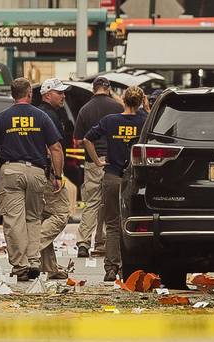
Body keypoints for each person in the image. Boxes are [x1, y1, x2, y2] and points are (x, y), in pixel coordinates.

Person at [0, 77, 64, 281]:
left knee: (13, 220)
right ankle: (34, 260)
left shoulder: (2, 117)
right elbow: (56, 148)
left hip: (11, 171)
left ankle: (20, 265)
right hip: (36, 172)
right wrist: (58, 176)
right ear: (29, 94)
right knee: (34, 218)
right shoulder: (41, 116)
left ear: (12, 95)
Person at [83, 86, 147, 281]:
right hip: (135, 179)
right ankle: (129, 267)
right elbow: (158, 133)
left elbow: (87, 139)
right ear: (139, 102)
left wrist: (96, 161)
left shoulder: (110, 121)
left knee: (112, 224)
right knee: (135, 224)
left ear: (124, 101)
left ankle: (111, 268)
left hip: (112, 176)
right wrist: (148, 108)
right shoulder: (144, 121)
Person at [73, 76, 124, 258]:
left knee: (92, 203)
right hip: (113, 161)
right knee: (112, 203)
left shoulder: (85, 110)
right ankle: (105, 242)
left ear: (93, 89)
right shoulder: (117, 107)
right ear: (108, 88)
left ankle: (83, 243)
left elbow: (79, 140)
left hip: (93, 161)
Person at [36, 78, 72, 280]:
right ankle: (31, 251)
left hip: (37, 171)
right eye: (60, 92)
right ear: (48, 94)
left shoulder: (39, 113)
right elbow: (53, 148)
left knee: (45, 217)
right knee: (60, 214)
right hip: (49, 172)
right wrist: (57, 175)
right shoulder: (49, 115)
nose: (63, 96)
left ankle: (48, 267)